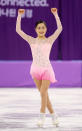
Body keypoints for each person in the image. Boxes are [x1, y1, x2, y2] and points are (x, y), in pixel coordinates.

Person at [16, 8, 63, 127]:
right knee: (44, 95)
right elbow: (18, 30)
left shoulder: (50, 40)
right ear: (36, 30)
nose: (41, 30)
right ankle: (54, 115)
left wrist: (56, 14)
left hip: (46, 69)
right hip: (35, 70)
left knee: (43, 92)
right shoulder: (31, 40)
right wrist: (19, 16)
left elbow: (59, 29)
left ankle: (41, 117)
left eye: (43, 28)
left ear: (46, 29)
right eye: (39, 28)